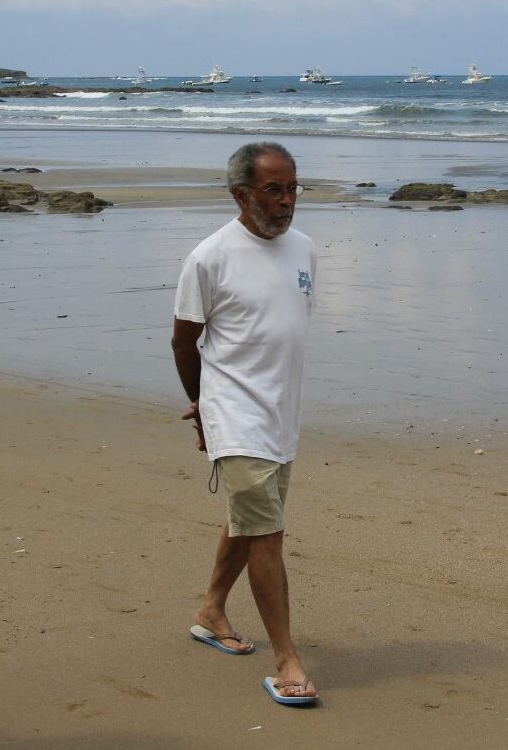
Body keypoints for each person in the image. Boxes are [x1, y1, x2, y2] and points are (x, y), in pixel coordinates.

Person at [171, 141, 320, 706]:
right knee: (267, 534)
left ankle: (210, 610)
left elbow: (284, 329)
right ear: (240, 194)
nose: (286, 203)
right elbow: (184, 340)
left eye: (292, 189)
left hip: (283, 415)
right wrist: (203, 406)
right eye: (273, 191)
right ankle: (287, 660)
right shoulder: (209, 258)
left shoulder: (304, 249)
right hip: (236, 414)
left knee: (252, 520)